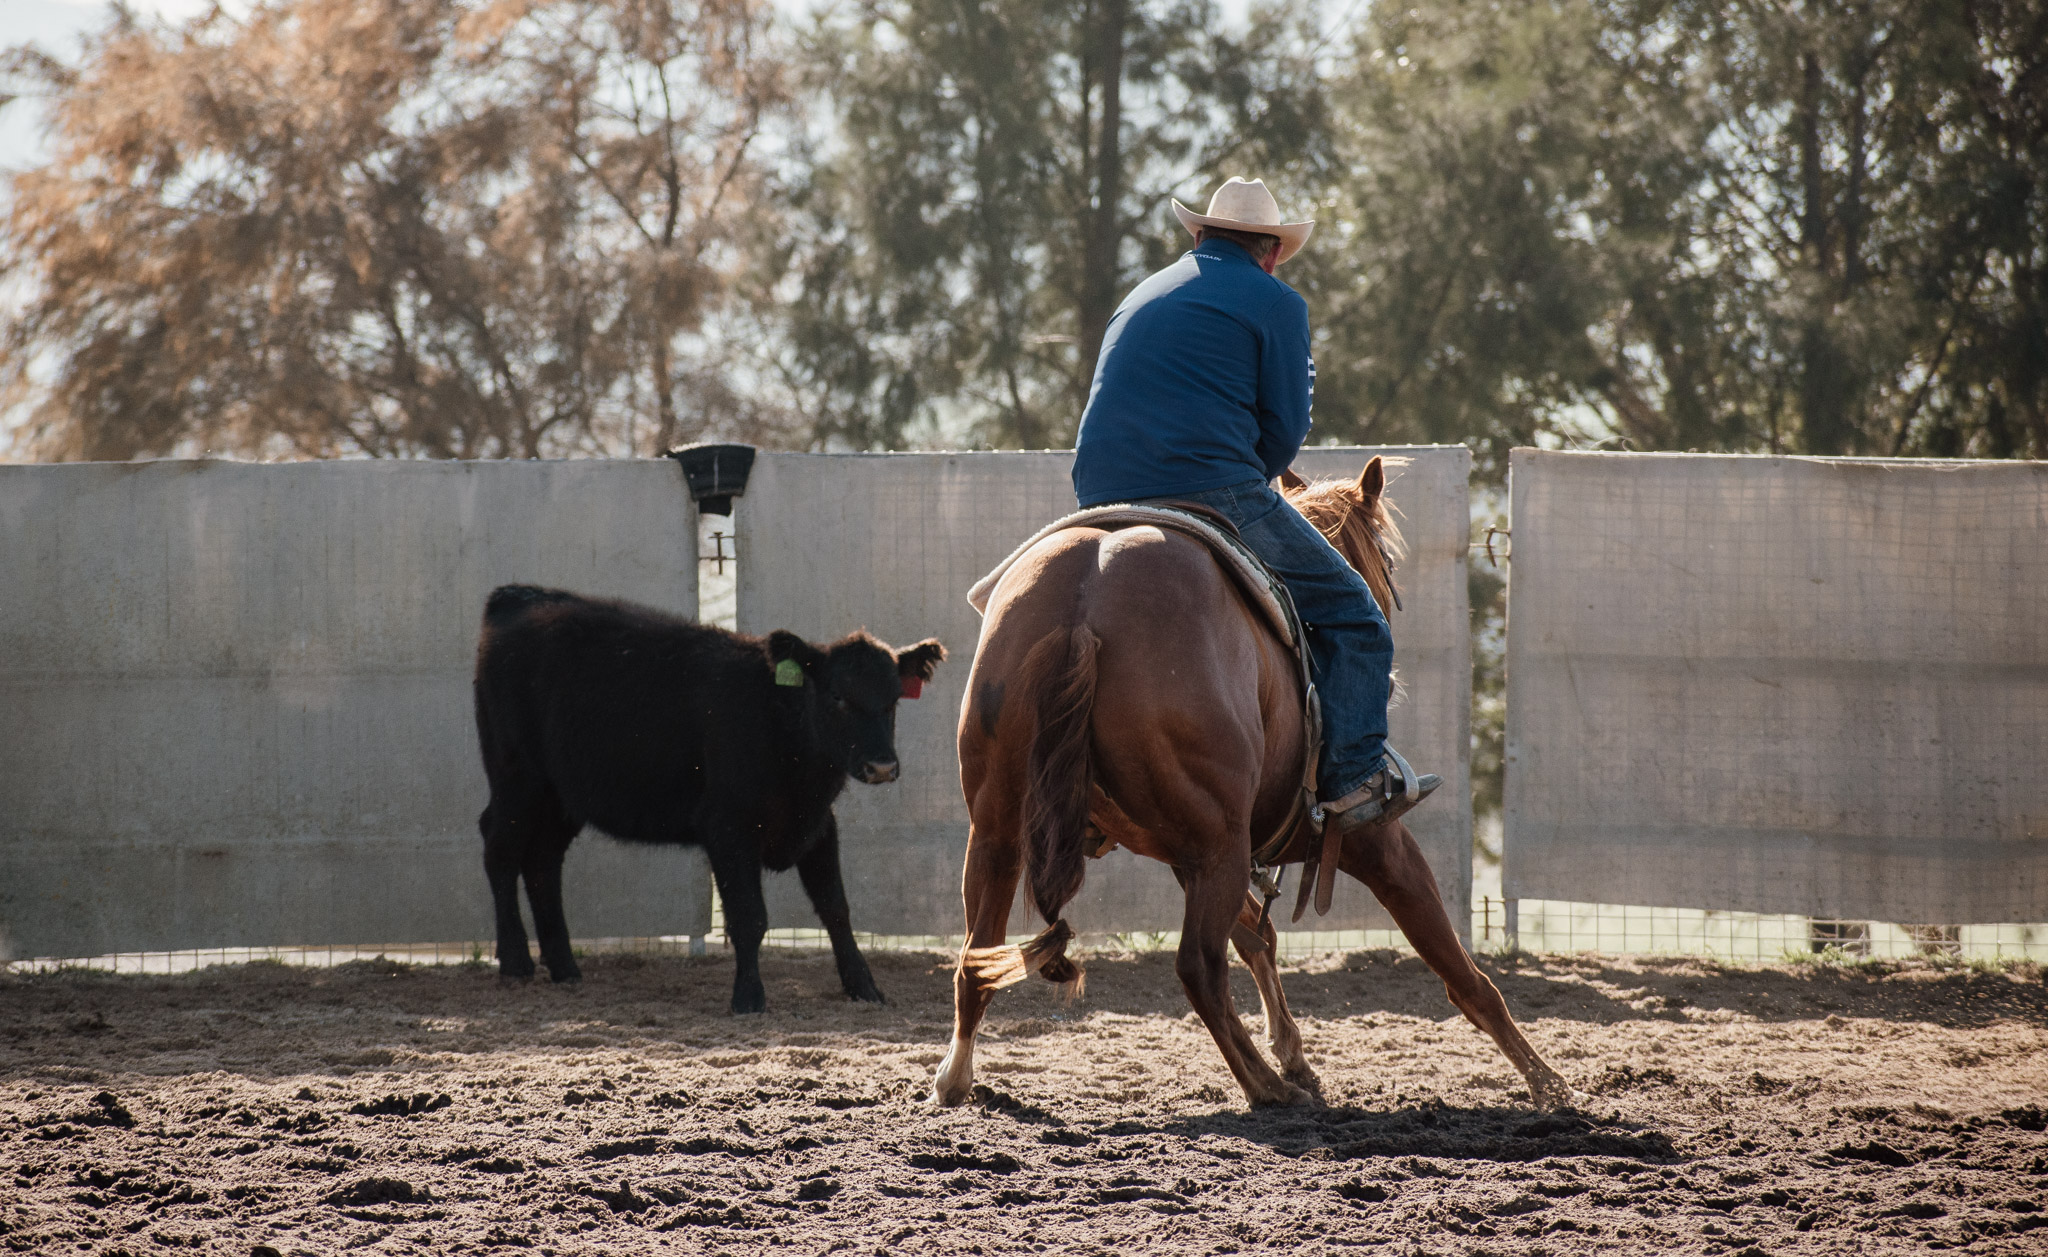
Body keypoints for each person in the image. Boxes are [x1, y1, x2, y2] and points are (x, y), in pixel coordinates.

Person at [1071, 176, 1439, 835]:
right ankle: (1352, 780)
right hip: (1211, 488)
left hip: (1098, 489)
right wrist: (1256, 475)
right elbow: (1287, 428)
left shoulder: (1139, 294)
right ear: (1271, 252)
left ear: (1198, 236)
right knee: (1357, 618)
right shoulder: (1277, 302)